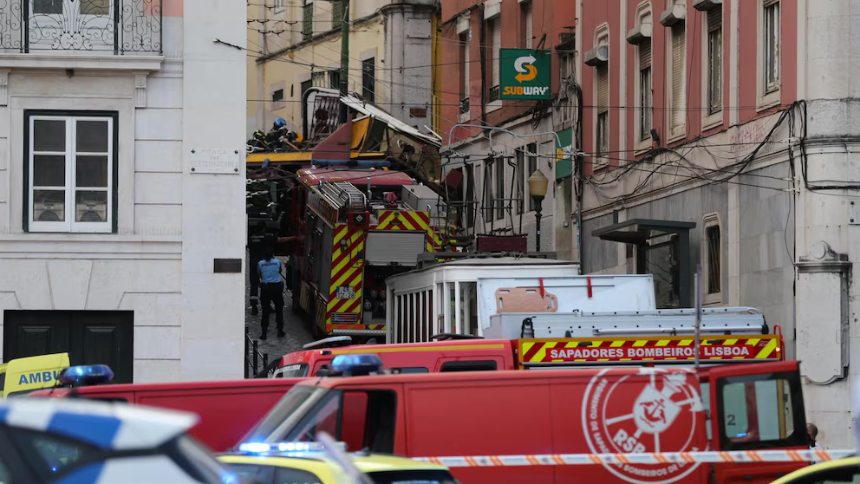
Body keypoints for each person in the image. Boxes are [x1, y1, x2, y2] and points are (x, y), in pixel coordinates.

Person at [257, 245, 285, 340]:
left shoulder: (260, 263)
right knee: (279, 310)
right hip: (277, 287)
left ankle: (264, 333)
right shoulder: (277, 262)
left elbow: (259, 274)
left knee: (265, 311)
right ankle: (280, 330)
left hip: (266, 288)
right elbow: (280, 271)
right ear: (273, 254)